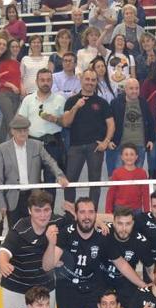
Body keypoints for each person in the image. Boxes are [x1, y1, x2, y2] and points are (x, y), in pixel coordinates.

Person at [43, 197, 148, 308]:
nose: (87, 216)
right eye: (82, 212)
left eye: (91, 212)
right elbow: (47, 266)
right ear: (76, 215)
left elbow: (121, 264)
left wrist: (143, 285)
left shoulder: (103, 236)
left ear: (95, 214)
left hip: (92, 290)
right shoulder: (65, 234)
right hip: (68, 289)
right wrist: (51, 244)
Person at [0, 114, 65, 230]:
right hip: (12, 198)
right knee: (15, 232)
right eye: (19, 131)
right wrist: (1, 203)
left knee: (36, 229)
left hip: (34, 196)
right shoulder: (2, 149)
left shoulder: (37, 145)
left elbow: (50, 162)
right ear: (12, 131)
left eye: (25, 130)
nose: (23, 133)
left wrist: (60, 175)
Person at [0, 191, 61, 308]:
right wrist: (3, 263)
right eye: (37, 210)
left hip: (45, 290)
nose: (43, 215)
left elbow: (82, 218)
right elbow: (3, 254)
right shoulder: (20, 229)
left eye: (46, 210)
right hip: (16, 289)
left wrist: (98, 222)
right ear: (29, 211)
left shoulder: (57, 221)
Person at [62, 69, 114, 206]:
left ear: (96, 82)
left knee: (95, 182)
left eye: (93, 80)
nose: (90, 82)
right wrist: (76, 107)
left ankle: (93, 214)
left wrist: (106, 142)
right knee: (70, 182)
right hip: (75, 146)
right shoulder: (72, 101)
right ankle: (69, 214)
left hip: (95, 147)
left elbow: (111, 124)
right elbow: (66, 122)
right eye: (87, 79)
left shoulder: (102, 102)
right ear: (81, 80)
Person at [17, 69, 67, 203]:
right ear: (36, 82)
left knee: (51, 182)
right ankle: (34, 214)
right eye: (42, 80)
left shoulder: (60, 100)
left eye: (48, 80)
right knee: (33, 181)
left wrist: (55, 119)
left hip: (53, 144)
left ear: (52, 81)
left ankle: (49, 213)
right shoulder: (28, 99)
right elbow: (20, 121)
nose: (46, 83)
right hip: (32, 144)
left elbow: (66, 123)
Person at [101, 206, 154, 308]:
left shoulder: (141, 242)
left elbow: (150, 268)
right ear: (114, 222)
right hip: (103, 277)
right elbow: (88, 217)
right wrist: (99, 223)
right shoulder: (105, 232)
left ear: (133, 223)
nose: (124, 229)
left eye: (128, 224)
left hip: (126, 280)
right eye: (120, 224)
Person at [109, 78, 155, 171]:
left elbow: (150, 122)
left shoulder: (144, 103)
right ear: (125, 89)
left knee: (137, 176)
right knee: (120, 175)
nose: (134, 91)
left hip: (140, 145)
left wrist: (151, 139)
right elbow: (109, 123)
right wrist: (109, 140)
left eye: (137, 88)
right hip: (121, 145)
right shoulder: (115, 103)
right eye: (131, 88)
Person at [106, 143, 150, 213]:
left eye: (132, 154)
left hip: (137, 209)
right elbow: (111, 193)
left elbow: (145, 194)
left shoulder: (142, 173)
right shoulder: (116, 173)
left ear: (136, 157)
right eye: (126, 154)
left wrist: (147, 212)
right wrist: (108, 211)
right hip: (120, 209)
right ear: (122, 157)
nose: (129, 157)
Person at [0, 39, 23, 142]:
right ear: (9, 49)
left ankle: (1, 143)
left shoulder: (19, 63)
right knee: (10, 120)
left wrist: (20, 90)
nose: (15, 48)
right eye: (13, 47)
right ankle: (17, 143)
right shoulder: (3, 62)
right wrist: (12, 86)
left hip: (16, 96)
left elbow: (20, 79)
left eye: (17, 46)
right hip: (4, 94)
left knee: (6, 121)